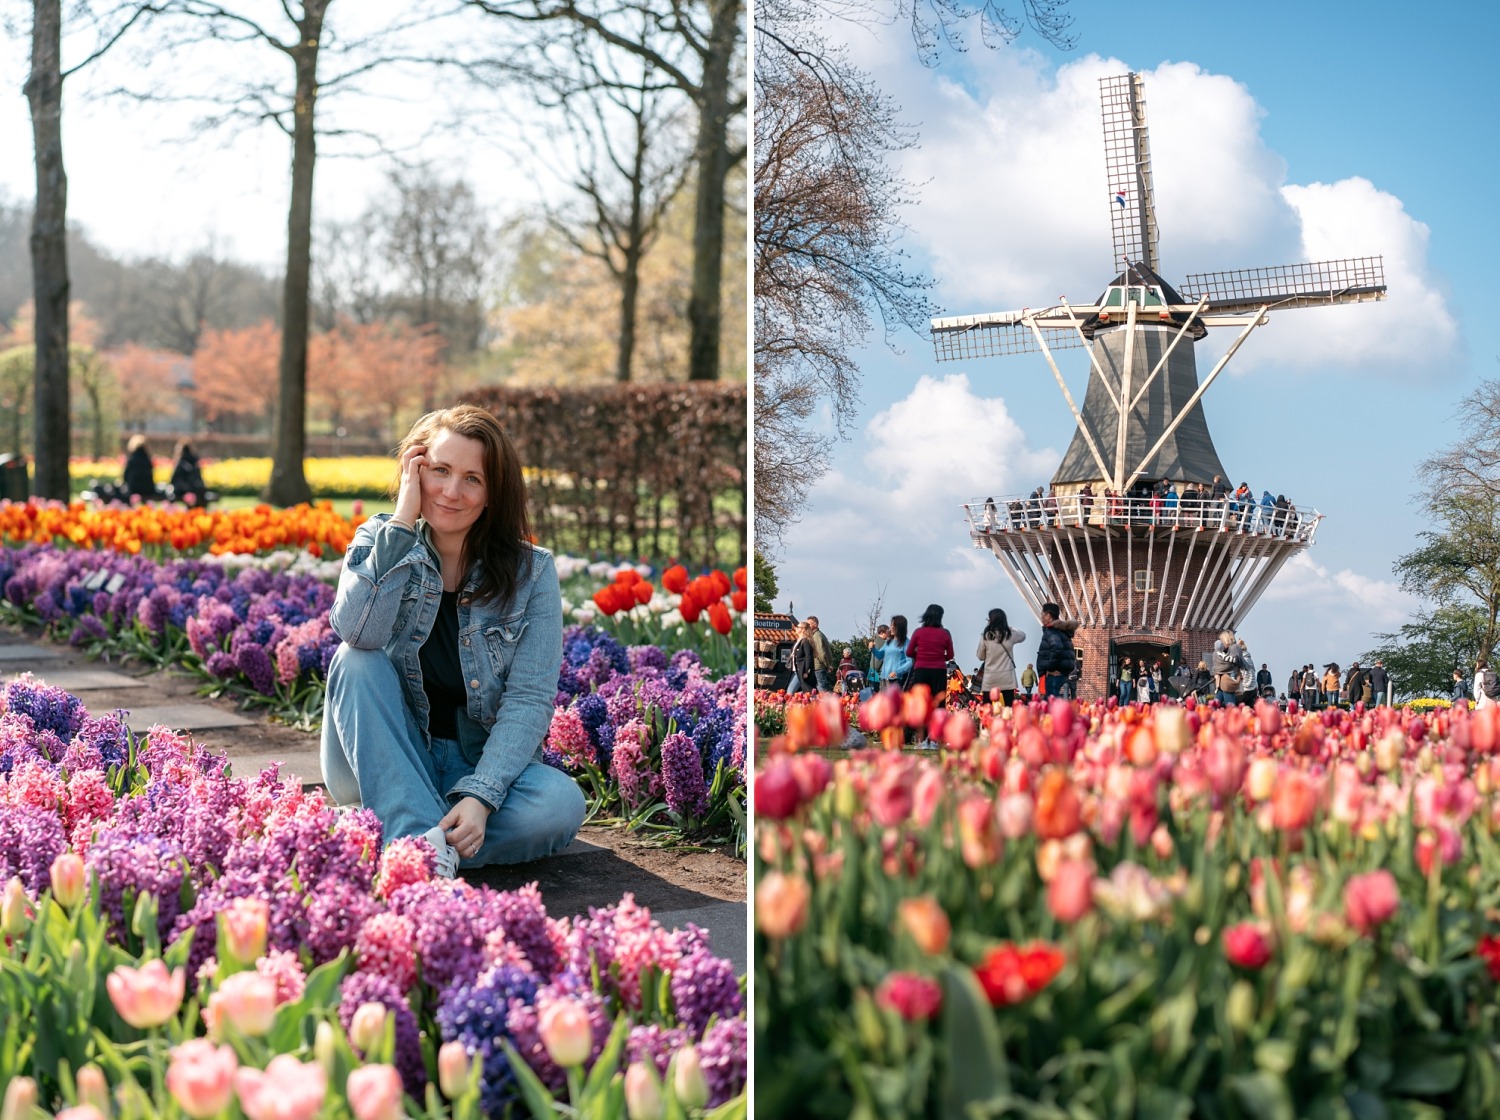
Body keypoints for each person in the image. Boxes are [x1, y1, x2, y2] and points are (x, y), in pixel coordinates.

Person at [319, 404, 585, 875]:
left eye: (472, 479)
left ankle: (397, 833)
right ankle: (424, 849)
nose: (451, 491)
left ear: (492, 495)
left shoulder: (532, 572)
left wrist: (481, 796)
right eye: (438, 470)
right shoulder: (377, 538)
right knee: (356, 659)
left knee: (560, 803)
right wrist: (402, 520)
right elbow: (359, 632)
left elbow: (529, 699)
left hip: (473, 762)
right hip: (383, 752)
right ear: (414, 470)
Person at [906, 604, 956, 707]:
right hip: (939, 670)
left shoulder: (918, 632)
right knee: (938, 701)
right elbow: (950, 655)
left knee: (920, 701)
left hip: (921, 669)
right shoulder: (945, 633)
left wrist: (920, 656)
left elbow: (909, 652)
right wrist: (940, 657)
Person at [975, 607, 1027, 708]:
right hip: (1007, 676)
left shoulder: (986, 636)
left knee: (987, 708)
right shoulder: (1010, 634)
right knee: (1009, 707)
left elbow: (980, 656)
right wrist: (1010, 628)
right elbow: (1023, 636)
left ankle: (988, 724)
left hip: (990, 677)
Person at [1036, 602, 1076, 699]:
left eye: (1042, 615)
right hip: (1061, 670)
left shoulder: (1052, 630)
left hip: (1054, 673)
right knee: (1049, 700)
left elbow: (1057, 647)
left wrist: (1050, 668)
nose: (1041, 617)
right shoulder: (1062, 630)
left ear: (1048, 616)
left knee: (1050, 701)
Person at [1211, 630, 1252, 705]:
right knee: (1216, 705)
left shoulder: (1234, 648)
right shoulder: (1223, 651)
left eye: (1222, 640)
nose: (1221, 642)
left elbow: (1229, 664)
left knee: (1229, 706)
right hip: (1220, 681)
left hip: (1228, 681)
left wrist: (1219, 669)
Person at [122, 434, 161, 502]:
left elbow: (125, 477)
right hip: (148, 490)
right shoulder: (148, 460)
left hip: (133, 489)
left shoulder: (132, 459)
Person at [168, 439, 208, 505]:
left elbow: (173, 479)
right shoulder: (195, 461)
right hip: (195, 489)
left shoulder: (180, 462)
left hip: (182, 491)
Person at [880, 616, 913, 690]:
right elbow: (880, 655)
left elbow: (910, 662)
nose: (890, 627)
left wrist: (898, 672)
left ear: (900, 627)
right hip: (884, 679)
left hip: (896, 680)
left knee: (893, 701)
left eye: (893, 625)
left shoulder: (906, 643)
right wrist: (872, 649)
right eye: (891, 625)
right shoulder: (888, 642)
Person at [805, 616, 835, 691]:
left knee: (821, 689)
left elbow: (820, 653)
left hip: (818, 666)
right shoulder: (817, 635)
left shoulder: (817, 636)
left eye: (809, 624)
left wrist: (827, 665)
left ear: (815, 625)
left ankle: (824, 702)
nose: (807, 626)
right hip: (818, 666)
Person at [787, 622, 814, 695]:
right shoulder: (799, 640)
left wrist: (806, 671)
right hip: (795, 670)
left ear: (803, 630)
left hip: (800, 671)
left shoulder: (805, 641)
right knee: (798, 692)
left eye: (798, 627)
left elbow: (809, 657)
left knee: (789, 693)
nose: (796, 628)